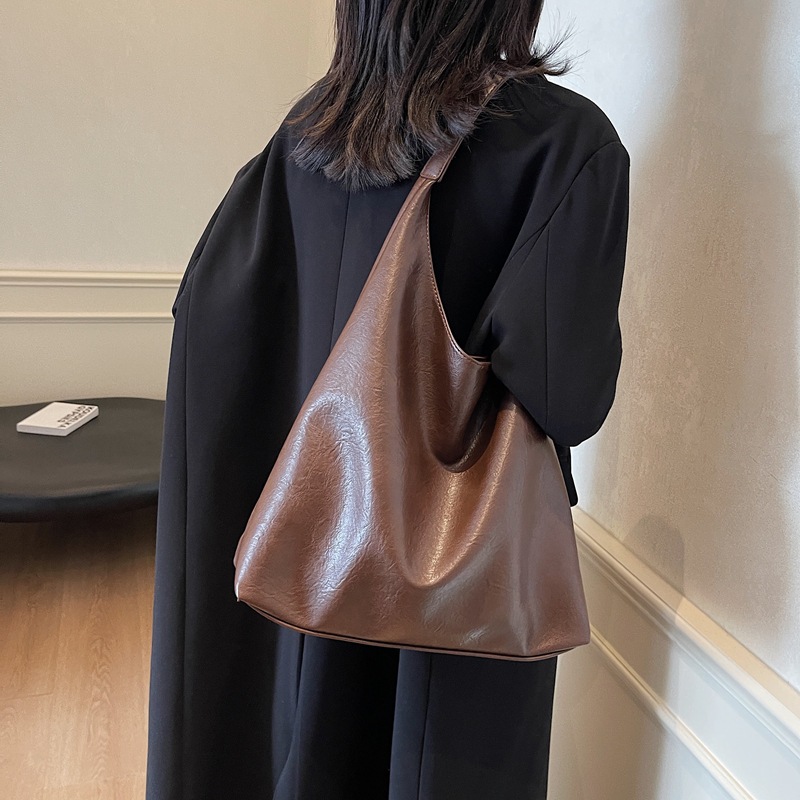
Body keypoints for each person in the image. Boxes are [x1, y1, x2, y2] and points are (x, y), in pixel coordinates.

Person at [145, 1, 630, 798]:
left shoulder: (308, 133)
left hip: (293, 566)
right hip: (452, 611)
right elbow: (570, 397)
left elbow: (215, 327)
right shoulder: (561, 142)